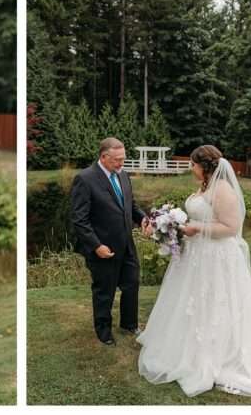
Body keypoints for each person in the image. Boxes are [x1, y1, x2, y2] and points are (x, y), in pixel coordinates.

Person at [137, 145, 251, 403]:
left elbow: (231, 227)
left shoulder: (222, 189)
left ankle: (218, 352)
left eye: (192, 164)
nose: (190, 168)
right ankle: (186, 347)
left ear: (203, 166)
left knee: (214, 302)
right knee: (190, 302)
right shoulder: (204, 187)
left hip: (215, 257)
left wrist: (195, 227)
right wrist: (174, 223)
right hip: (196, 255)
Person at [70, 137, 150, 345]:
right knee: (104, 291)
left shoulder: (123, 175)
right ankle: (103, 331)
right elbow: (80, 220)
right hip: (102, 248)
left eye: (123, 159)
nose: (121, 164)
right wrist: (96, 245)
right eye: (117, 160)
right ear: (104, 157)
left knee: (132, 284)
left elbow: (131, 205)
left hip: (127, 244)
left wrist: (142, 218)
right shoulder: (85, 179)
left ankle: (129, 324)